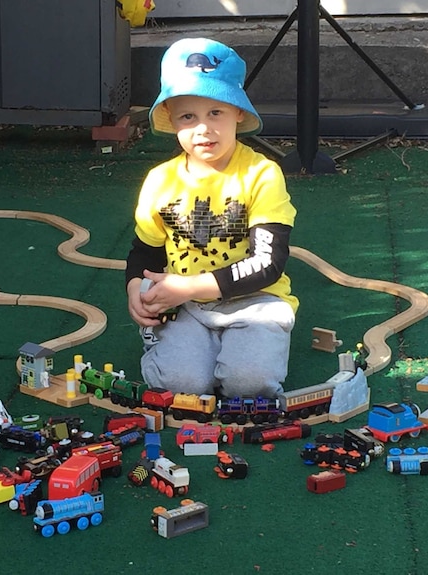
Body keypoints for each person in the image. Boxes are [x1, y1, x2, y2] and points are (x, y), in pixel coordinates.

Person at [125, 37, 298, 399]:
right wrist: (134, 291)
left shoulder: (261, 173)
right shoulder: (160, 180)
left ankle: (249, 349)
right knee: (182, 387)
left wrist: (187, 286)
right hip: (184, 305)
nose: (203, 128)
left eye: (215, 112)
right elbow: (144, 253)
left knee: (249, 386)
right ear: (171, 120)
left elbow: (268, 263)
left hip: (257, 299)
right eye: (188, 116)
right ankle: (181, 347)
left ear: (238, 113)